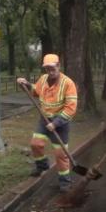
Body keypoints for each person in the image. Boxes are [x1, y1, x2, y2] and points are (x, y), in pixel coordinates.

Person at [17, 54, 77, 192]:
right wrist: (25, 84)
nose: (50, 72)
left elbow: (71, 108)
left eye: (52, 68)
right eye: (47, 69)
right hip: (44, 120)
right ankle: (42, 165)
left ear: (58, 66)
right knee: (35, 144)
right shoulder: (43, 79)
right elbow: (35, 91)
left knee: (61, 154)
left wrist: (56, 123)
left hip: (61, 123)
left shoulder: (68, 83)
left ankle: (65, 182)